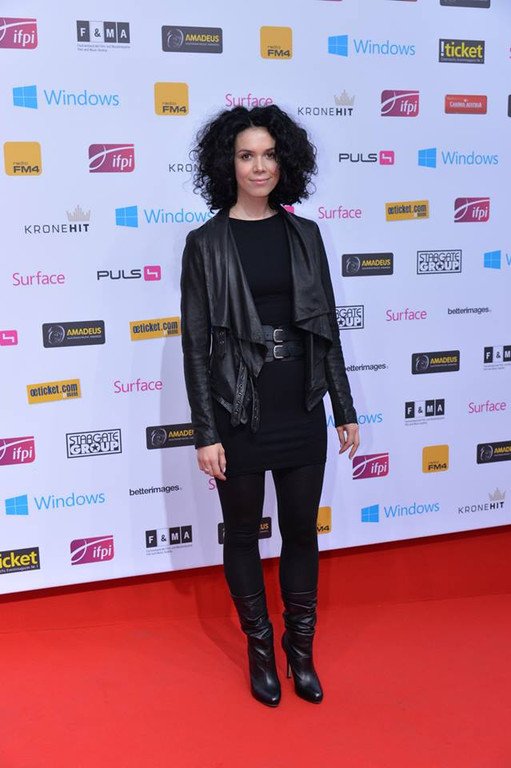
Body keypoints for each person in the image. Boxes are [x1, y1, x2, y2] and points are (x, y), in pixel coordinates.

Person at [180, 105, 359, 707]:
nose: (260, 166)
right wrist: (206, 432)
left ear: (286, 162)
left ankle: (299, 651)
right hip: (238, 408)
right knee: (241, 534)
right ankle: (260, 649)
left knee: (301, 531)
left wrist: (344, 407)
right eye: (246, 155)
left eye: (270, 154)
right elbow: (196, 345)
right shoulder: (205, 243)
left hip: (300, 402)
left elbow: (326, 328)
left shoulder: (305, 234)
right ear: (227, 165)